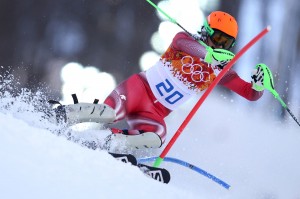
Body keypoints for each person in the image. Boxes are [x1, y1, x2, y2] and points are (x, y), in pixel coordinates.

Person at [57, 11, 266, 150]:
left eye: (226, 42)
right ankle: (62, 115)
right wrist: (211, 56)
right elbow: (191, 48)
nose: (221, 45)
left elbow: (250, 94)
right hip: (137, 91)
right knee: (110, 113)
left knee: (158, 136)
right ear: (206, 31)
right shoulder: (184, 40)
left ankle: (103, 142)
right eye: (218, 38)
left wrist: (259, 85)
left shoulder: (221, 72)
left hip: (154, 112)